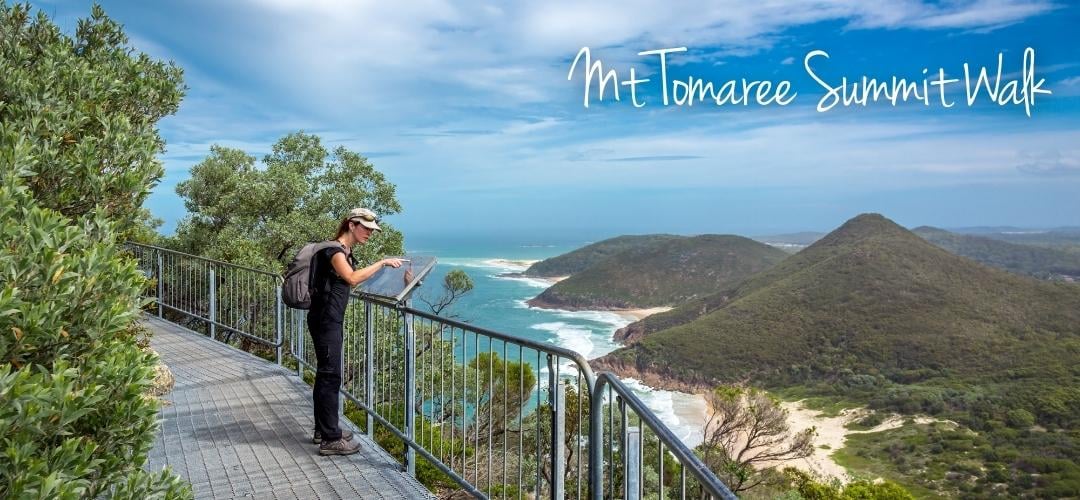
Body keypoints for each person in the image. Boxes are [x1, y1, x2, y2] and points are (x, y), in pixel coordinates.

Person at [308, 207, 403, 456]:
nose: (370, 233)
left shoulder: (346, 252)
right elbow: (351, 278)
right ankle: (330, 438)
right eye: (366, 228)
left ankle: (324, 428)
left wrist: (403, 280)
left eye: (372, 230)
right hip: (326, 321)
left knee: (326, 375)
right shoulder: (334, 251)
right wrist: (382, 262)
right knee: (330, 376)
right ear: (352, 225)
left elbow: (354, 281)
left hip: (329, 320)